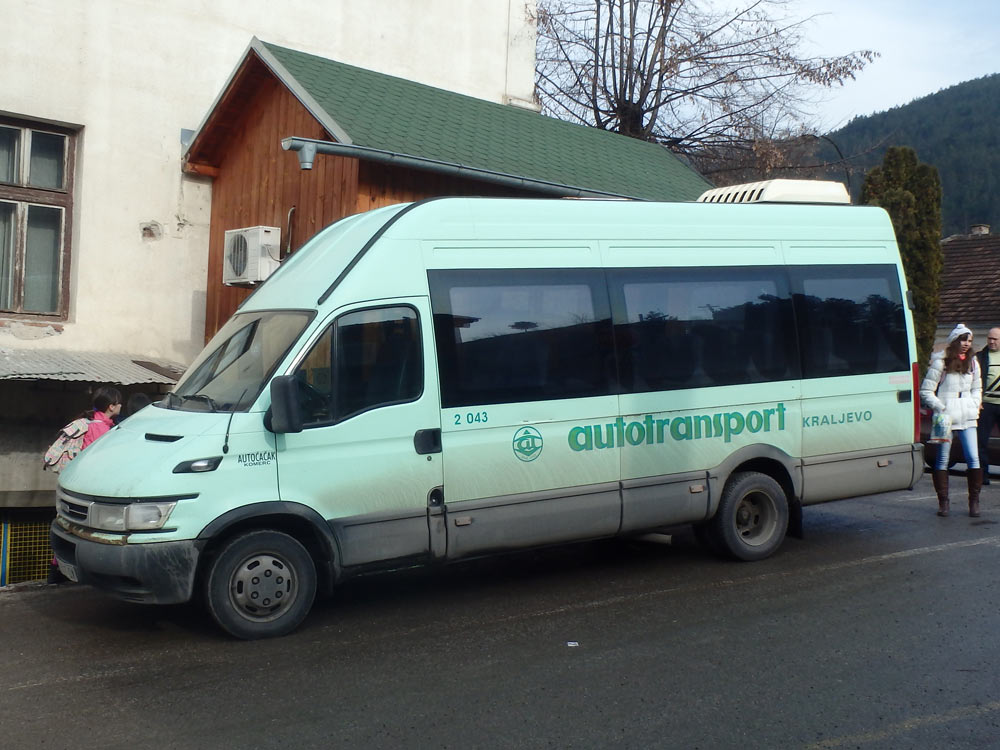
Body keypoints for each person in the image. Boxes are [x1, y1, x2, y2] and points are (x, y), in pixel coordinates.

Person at [920, 324, 983, 517]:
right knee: (942, 460)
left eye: (970, 340)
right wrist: (941, 407)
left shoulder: (973, 362)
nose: (966, 344)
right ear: (955, 340)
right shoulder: (941, 362)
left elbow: (977, 388)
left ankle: (974, 503)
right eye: (963, 340)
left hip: (967, 416)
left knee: (973, 457)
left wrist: (974, 404)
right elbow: (926, 391)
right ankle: (944, 503)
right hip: (945, 418)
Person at [976, 327, 1000, 485]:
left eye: (995, 339)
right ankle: (983, 475)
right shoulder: (980, 357)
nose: (991, 342)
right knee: (981, 441)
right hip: (986, 406)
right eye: (989, 338)